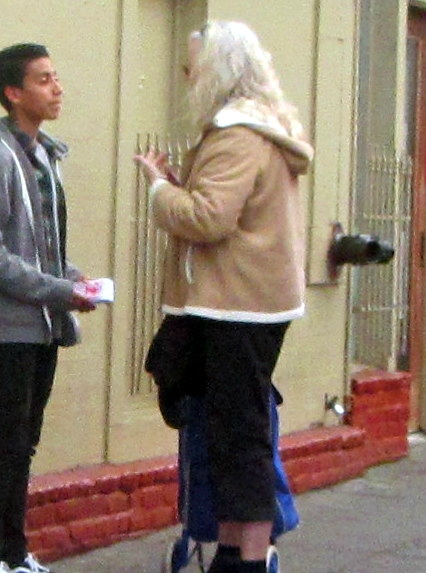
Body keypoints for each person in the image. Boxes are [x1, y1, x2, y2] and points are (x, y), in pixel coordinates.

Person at [134, 21, 313, 573]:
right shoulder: (258, 128)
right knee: (234, 432)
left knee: (240, 438)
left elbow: (209, 218)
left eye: (194, 69)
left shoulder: (236, 134)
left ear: (219, 72)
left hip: (235, 305)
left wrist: (159, 188)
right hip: (245, 301)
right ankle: (237, 549)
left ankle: (248, 558)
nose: (188, 79)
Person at [0, 43, 96, 573]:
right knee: (8, 439)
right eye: (43, 80)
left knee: (25, 443)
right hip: (8, 324)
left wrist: (72, 280)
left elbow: (40, 243)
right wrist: (55, 290)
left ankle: (14, 556)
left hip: (42, 323)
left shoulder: (44, 158)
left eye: (56, 77)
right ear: (13, 93)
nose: (57, 88)